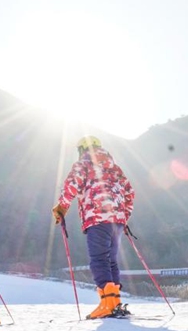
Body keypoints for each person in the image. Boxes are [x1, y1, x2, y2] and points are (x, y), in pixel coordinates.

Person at [52, 136, 135, 319]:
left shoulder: (83, 163)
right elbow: (130, 192)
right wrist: (124, 217)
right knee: (111, 260)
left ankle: (107, 304)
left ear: (82, 149)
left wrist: (62, 208)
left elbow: (72, 185)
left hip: (97, 218)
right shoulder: (115, 168)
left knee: (99, 259)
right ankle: (114, 303)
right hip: (118, 221)